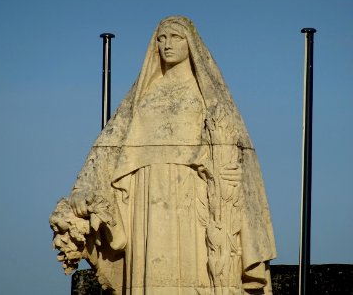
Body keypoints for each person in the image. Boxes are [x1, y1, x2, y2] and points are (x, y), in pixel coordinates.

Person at [50, 16, 276, 295]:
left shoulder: (208, 97)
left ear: (190, 44)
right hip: (145, 203)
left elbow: (237, 154)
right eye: (161, 38)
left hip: (194, 200)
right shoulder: (142, 96)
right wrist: (84, 188)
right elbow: (107, 149)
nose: (167, 45)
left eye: (175, 38)